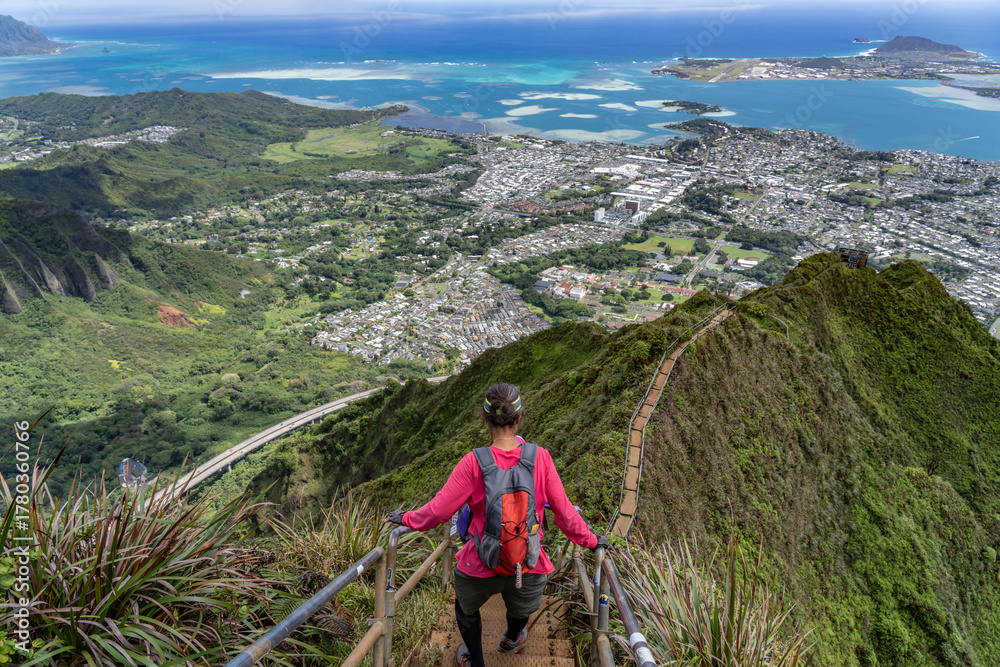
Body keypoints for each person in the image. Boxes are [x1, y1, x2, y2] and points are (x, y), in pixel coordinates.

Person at [386, 382, 608, 667]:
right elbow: (565, 514)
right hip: (527, 563)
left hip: (481, 562)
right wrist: (592, 540)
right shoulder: (541, 458)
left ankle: (475, 662)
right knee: (520, 609)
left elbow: (437, 512)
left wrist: (405, 518)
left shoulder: (473, 463)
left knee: (466, 609)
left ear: (485, 419)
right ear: (518, 418)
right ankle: (513, 638)